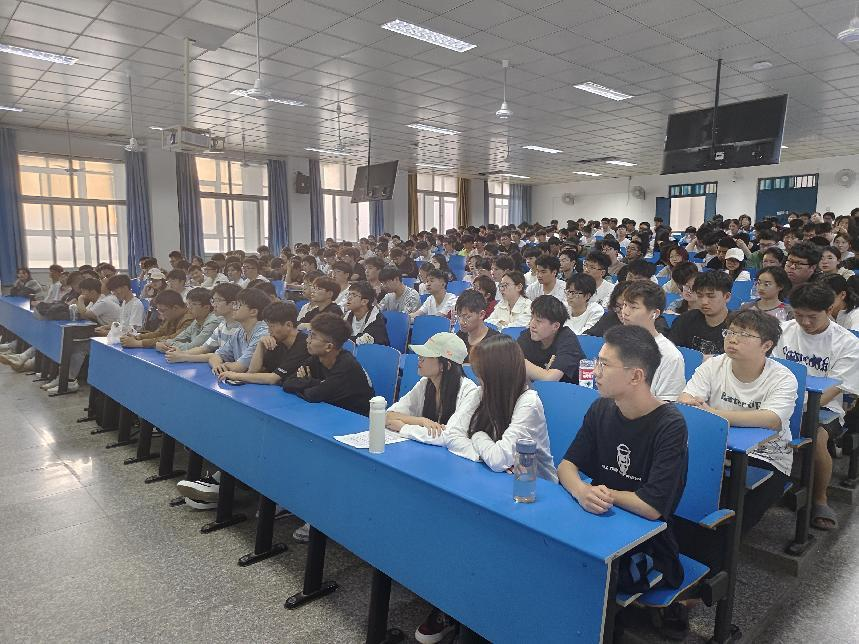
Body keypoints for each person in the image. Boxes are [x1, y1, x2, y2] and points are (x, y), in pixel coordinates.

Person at [559, 325, 687, 632]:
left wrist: (600, 493)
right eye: (597, 361)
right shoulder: (601, 407)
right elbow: (566, 466)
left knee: (579, 580)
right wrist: (581, 491)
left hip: (645, 538)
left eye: (605, 364)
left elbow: (651, 508)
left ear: (636, 376)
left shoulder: (670, 425)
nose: (596, 371)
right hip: (597, 518)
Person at [680, 309, 797, 534]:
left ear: (766, 345)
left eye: (744, 335)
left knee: (735, 517)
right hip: (715, 448)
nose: (733, 339)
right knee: (689, 499)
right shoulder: (714, 365)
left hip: (767, 455)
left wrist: (713, 414)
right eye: (730, 332)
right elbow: (687, 400)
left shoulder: (782, 377)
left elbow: (771, 419)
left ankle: (722, 546)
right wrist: (707, 413)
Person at [774, 283, 859, 530]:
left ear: (829, 309)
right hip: (782, 399)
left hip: (825, 407)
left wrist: (798, 409)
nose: (805, 322)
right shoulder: (783, 331)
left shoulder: (846, 343)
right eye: (799, 315)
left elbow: (835, 388)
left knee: (817, 437)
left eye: (812, 316)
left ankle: (820, 498)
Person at [387, 332, 478, 444]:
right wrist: (421, 421)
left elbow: (449, 437)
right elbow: (389, 416)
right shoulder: (425, 383)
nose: (419, 359)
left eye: (426, 356)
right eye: (420, 355)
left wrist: (403, 427)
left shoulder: (469, 392)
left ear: (445, 366)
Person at [619, 281, 685, 402]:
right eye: (625, 305)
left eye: (633, 307)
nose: (625, 312)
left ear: (654, 313)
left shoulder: (670, 356)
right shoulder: (617, 343)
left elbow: (667, 405)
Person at [216, 301, 309, 385]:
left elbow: (273, 378)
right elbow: (253, 371)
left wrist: (235, 375)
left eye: (272, 326)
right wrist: (260, 345)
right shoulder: (277, 341)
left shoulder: (304, 344)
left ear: (288, 325)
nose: (269, 331)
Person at [166, 283, 242, 365]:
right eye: (213, 300)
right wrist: (180, 354)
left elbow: (221, 356)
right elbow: (205, 348)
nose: (213, 305)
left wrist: (183, 356)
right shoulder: (222, 325)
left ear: (233, 304)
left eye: (218, 300)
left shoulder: (241, 328)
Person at [518, 295, 584, 384]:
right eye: (532, 318)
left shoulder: (568, 340)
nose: (532, 324)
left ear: (555, 326)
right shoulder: (527, 335)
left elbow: (551, 379)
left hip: (569, 390)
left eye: (538, 321)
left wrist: (518, 361)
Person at [208, 288, 270, 375]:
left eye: (238, 305)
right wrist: (217, 366)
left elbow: (241, 367)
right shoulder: (240, 331)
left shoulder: (263, 333)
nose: (233, 308)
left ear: (253, 312)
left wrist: (224, 366)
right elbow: (216, 356)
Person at [668, 271, 732, 354]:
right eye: (700, 296)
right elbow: (671, 351)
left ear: (727, 297)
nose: (704, 302)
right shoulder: (685, 320)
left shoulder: (737, 327)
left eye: (711, 296)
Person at [120, 289, 194, 348]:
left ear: (175, 308)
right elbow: (159, 333)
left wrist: (138, 343)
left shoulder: (189, 320)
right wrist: (138, 337)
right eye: (159, 310)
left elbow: (173, 339)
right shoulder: (172, 315)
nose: (161, 314)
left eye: (163, 311)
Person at [156, 287, 221, 352]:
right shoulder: (196, 321)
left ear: (206, 307)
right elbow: (177, 339)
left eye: (194, 304)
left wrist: (167, 344)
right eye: (188, 304)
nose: (189, 307)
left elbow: (193, 347)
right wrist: (162, 343)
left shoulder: (213, 322)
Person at [454, 290, 500, 355]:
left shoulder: (496, 343)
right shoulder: (459, 337)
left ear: (481, 314)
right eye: (459, 316)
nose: (461, 322)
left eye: (467, 317)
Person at [343, 280, 389, 346]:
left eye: (354, 295)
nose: (349, 298)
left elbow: (364, 341)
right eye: (349, 294)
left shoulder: (376, 319)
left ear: (364, 302)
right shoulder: (349, 315)